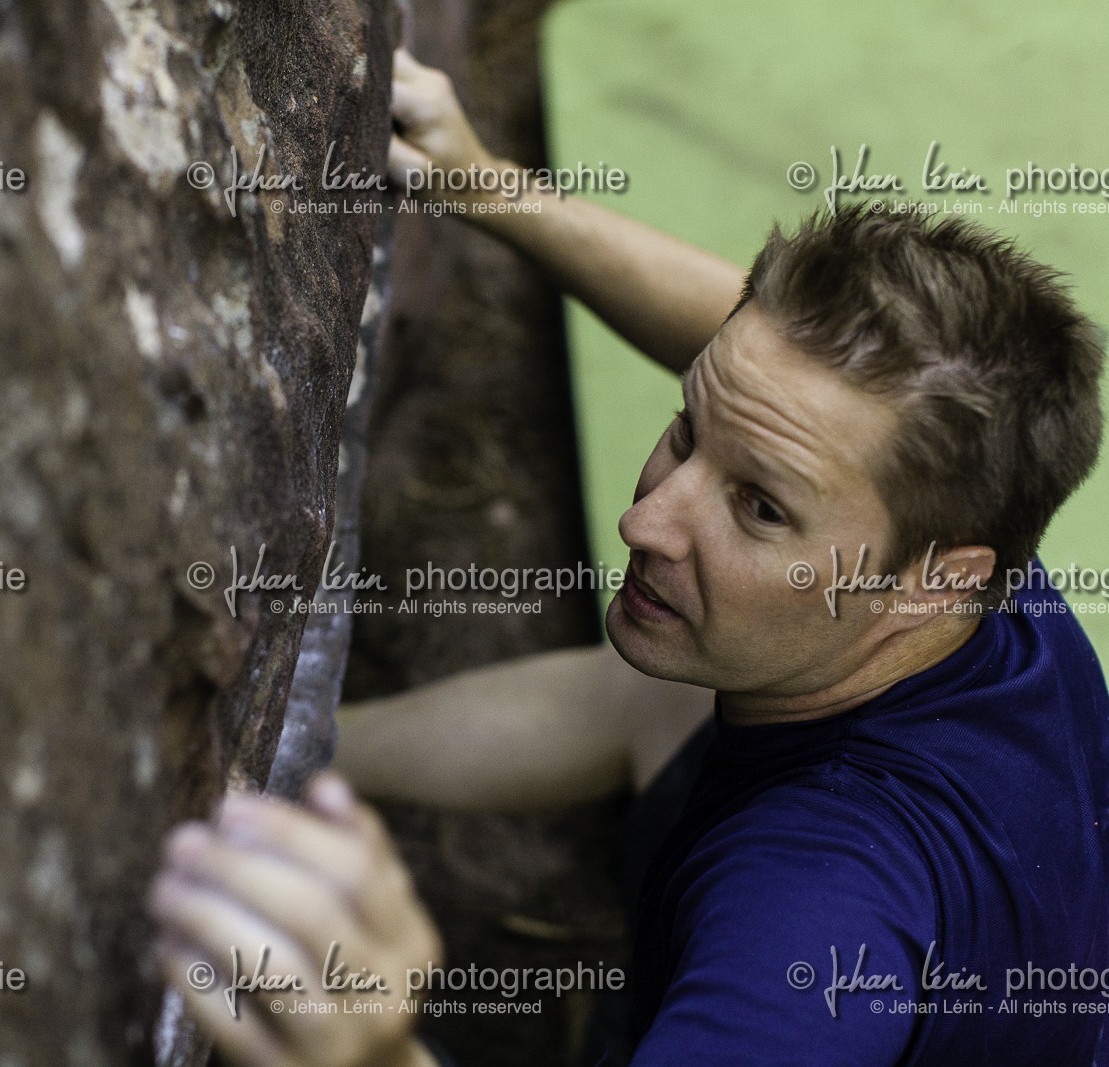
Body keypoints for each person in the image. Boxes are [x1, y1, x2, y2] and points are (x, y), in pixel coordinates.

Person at [148, 48, 1109, 1066]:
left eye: (759, 508)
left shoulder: (812, 908)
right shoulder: (949, 534)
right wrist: (478, 182)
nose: (645, 520)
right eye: (686, 434)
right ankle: (279, 778)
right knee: (667, 675)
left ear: (937, 578)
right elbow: (749, 355)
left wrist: (374, 1051)